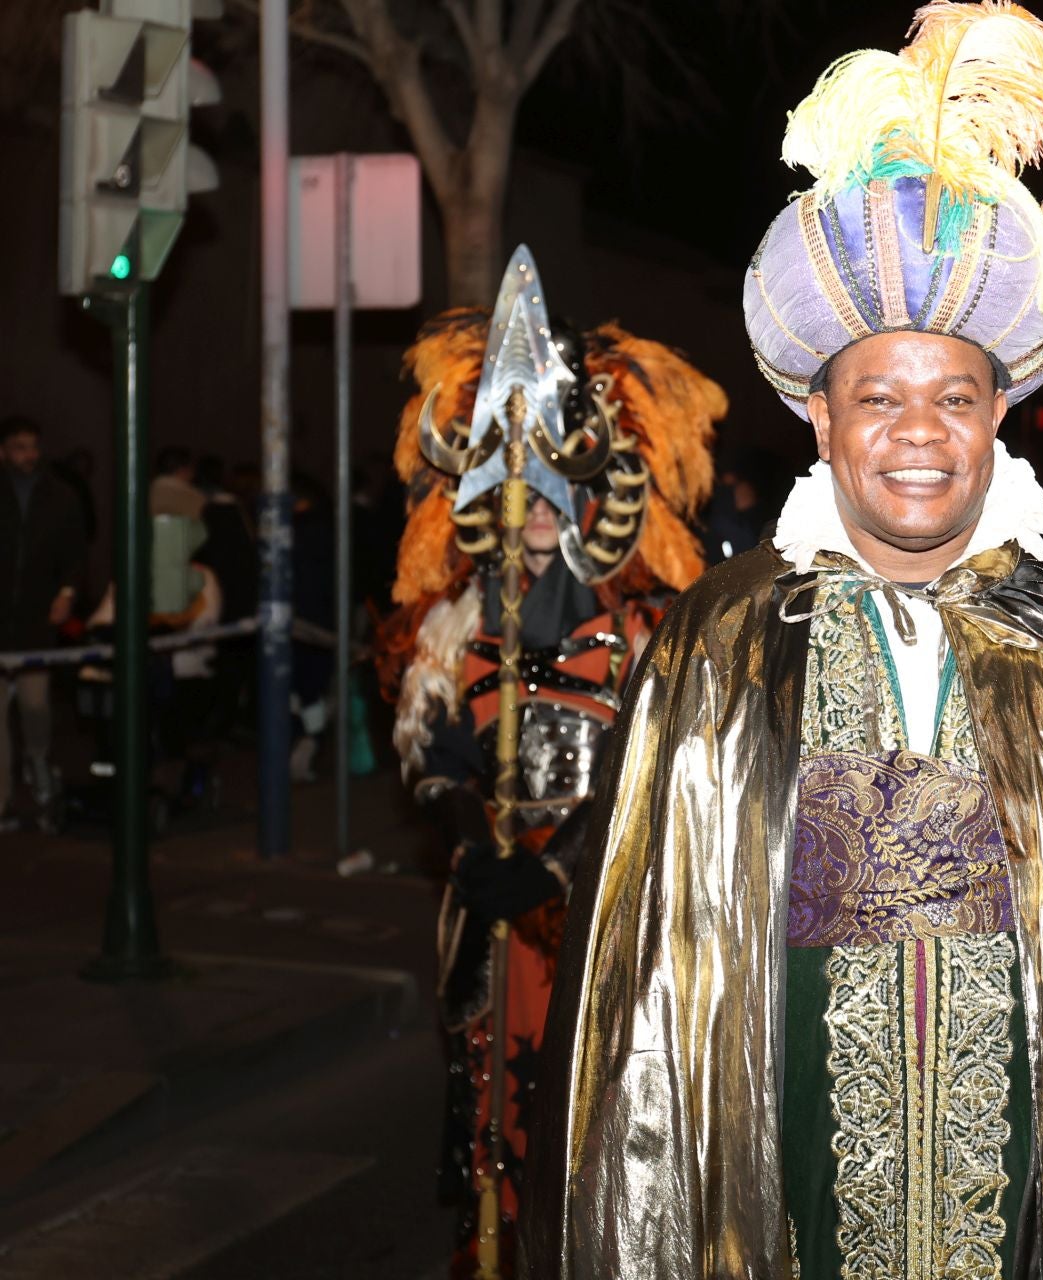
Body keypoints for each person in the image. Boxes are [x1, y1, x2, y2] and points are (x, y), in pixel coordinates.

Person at [522, 6, 1043, 1277]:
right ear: (820, 418)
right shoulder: (718, 645)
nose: (917, 431)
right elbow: (652, 997)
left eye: (951, 396)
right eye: (878, 396)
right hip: (784, 1175)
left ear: (999, 411)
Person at [379, 246, 722, 1278]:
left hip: (603, 914)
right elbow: (433, 749)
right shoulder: (456, 623)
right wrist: (462, 840)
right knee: (493, 1120)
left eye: (549, 492)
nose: (532, 511)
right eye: (513, 488)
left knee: (599, 1120)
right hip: (492, 914)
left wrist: (558, 864)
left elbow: (654, 775)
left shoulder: (644, 636)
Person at [0, 415, 85, 831]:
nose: (28, 455)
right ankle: (0, 802)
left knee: (35, 705)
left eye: (32, 446)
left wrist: (66, 594)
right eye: (18, 447)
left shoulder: (60, 497)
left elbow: (74, 553)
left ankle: (37, 759)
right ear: (2, 451)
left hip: (35, 623)